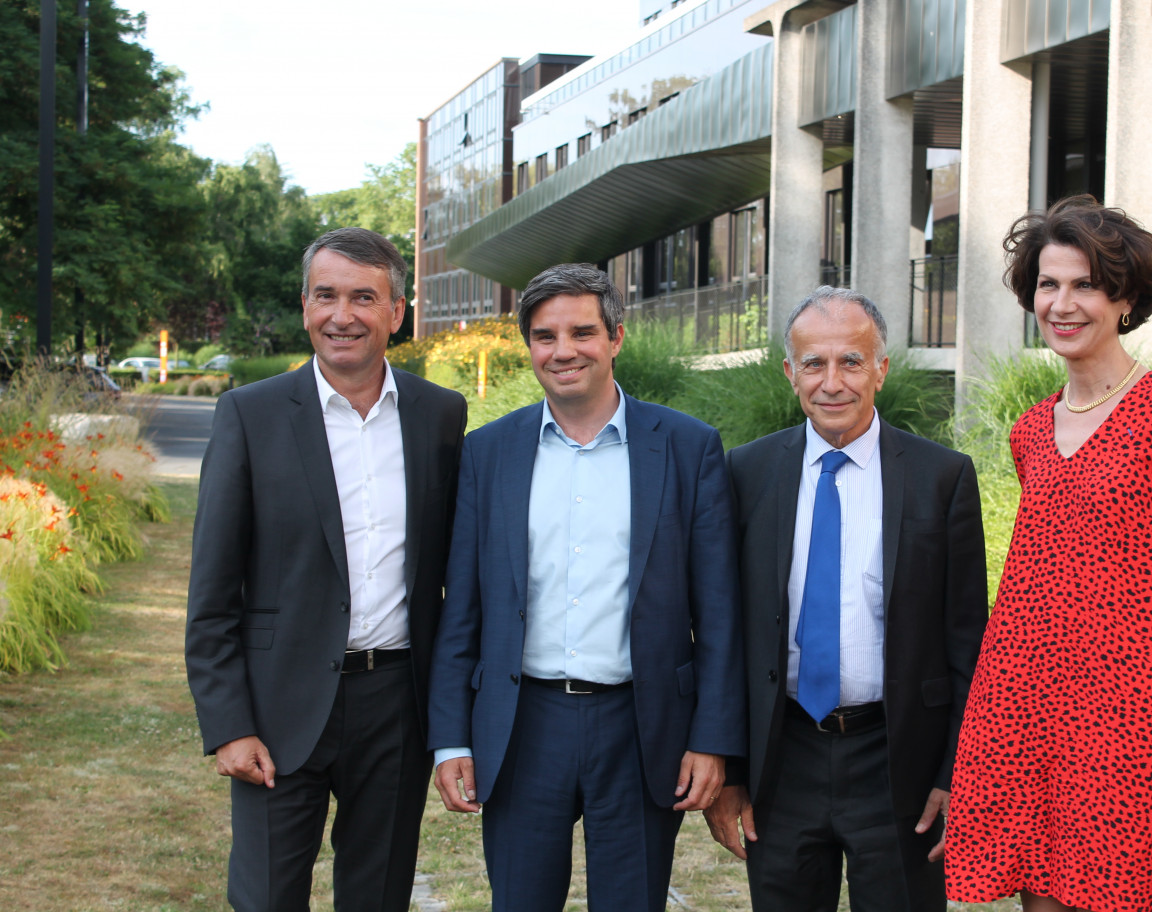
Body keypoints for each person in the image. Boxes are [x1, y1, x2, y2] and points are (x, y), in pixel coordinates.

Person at [944, 195, 1152, 912]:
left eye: (1084, 284)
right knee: (1040, 894)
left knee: (1115, 893)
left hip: (1127, 719)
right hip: (1027, 706)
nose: (1063, 303)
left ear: (1126, 295)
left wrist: (1134, 671)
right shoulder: (1032, 429)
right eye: (1049, 285)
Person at [426, 263, 744, 912]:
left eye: (582, 332)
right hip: (521, 726)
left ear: (616, 338)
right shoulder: (489, 453)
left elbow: (719, 612)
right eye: (545, 336)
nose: (563, 351)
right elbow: (462, 607)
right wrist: (452, 737)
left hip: (642, 724)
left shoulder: (688, 448)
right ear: (530, 347)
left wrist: (711, 739)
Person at [185, 227, 467, 911]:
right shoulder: (248, 416)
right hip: (278, 707)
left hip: (396, 702)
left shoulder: (440, 416)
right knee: (268, 895)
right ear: (306, 305)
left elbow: (452, 578)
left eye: (364, 297)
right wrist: (228, 724)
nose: (343, 315)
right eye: (327, 296)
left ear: (397, 313)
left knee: (378, 895)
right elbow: (213, 593)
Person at [705, 286, 989, 912]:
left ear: (881, 370)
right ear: (790, 373)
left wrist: (955, 774)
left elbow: (969, 642)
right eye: (814, 363)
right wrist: (728, 772)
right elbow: (721, 636)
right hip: (784, 756)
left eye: (852, 362)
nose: (832, 382)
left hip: (897, 761)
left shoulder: (942, 478)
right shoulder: (744, 474)